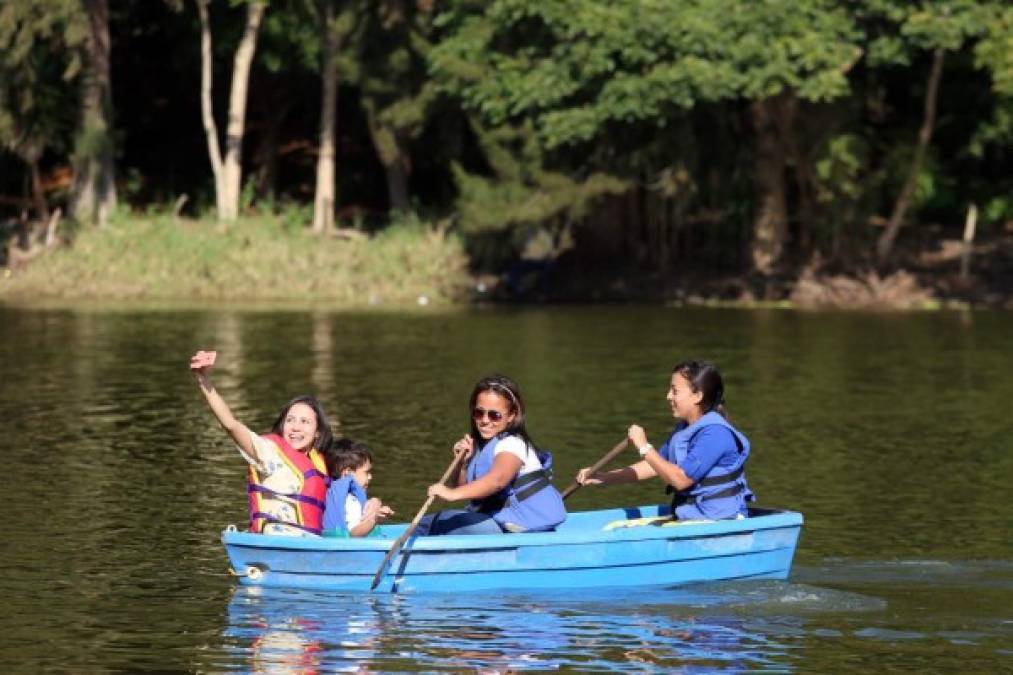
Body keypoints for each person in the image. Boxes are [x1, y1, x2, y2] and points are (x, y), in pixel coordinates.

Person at [576, 360, 754, 521]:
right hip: (693, 515)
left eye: (675, 391)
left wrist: (644, 446)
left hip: (721, 519)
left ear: (698, 396)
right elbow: (653, 465)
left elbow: (681, 480)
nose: (668, 396)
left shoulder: (716, 434)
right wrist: (604, 477)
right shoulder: (685, 428)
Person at [190, 349, 333, 536]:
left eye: (304, 422)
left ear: (317, 433)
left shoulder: (320, 464)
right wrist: (203, 379)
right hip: (274, 542)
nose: (295, 427)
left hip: (311, 545)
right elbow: (231, 425)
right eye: (290, 420)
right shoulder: (268, 452)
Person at [419, 374, 567, 535]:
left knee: (438, 522)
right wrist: (463, 463)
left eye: (494, 415)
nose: (484, 420)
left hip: (521, 527)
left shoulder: (512, 443)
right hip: (504, 525)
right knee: (439, 521)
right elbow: (465, 490)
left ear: (511, 415)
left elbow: (497, 481)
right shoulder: (484, 446)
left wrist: (451, 494)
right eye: (478, 413)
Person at [321, 438, 393, 537]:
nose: (370, 476)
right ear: (347, 473)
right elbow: (354, 533)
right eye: (366, 472)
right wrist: (374, 519)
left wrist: (379, 515)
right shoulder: (348, 502)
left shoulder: (349, 497)